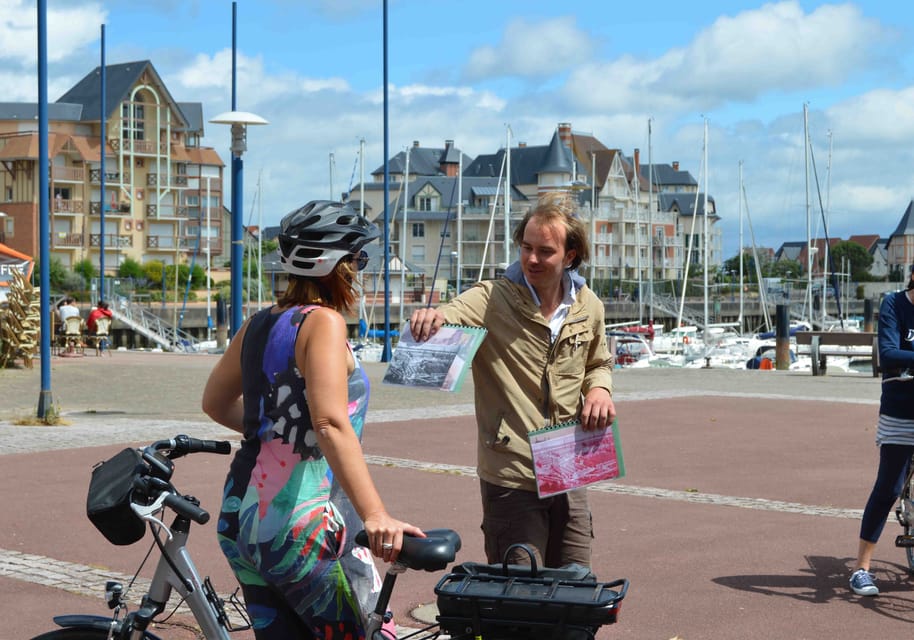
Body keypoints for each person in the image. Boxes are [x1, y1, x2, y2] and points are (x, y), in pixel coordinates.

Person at [202, 200, 422, 639]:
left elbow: (215, 402)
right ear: (337, 265)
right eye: (357, 259)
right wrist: (376, 513)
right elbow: (330, 423)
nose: (360, 269)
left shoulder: (259, 323)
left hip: (241, 518)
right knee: (368, 634)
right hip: (302, 523)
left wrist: (275, 435)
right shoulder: (323, 323)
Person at [409, 192, 615, 569]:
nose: (532, 259)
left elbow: (599, 362)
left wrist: (599, 389)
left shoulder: (589, 306)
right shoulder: (492, 298)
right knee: (520, 590)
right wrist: (431, 316)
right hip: (512, 472)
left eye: (545, 251)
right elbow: (450, 313)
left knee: (576, 586)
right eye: (526, 247)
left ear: (570, 256)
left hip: (569, 468)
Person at [849, 265, 914, 596]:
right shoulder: (895, 305)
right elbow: (888, 353)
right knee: (889, 487)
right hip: (902, 408)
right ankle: (862, 568)